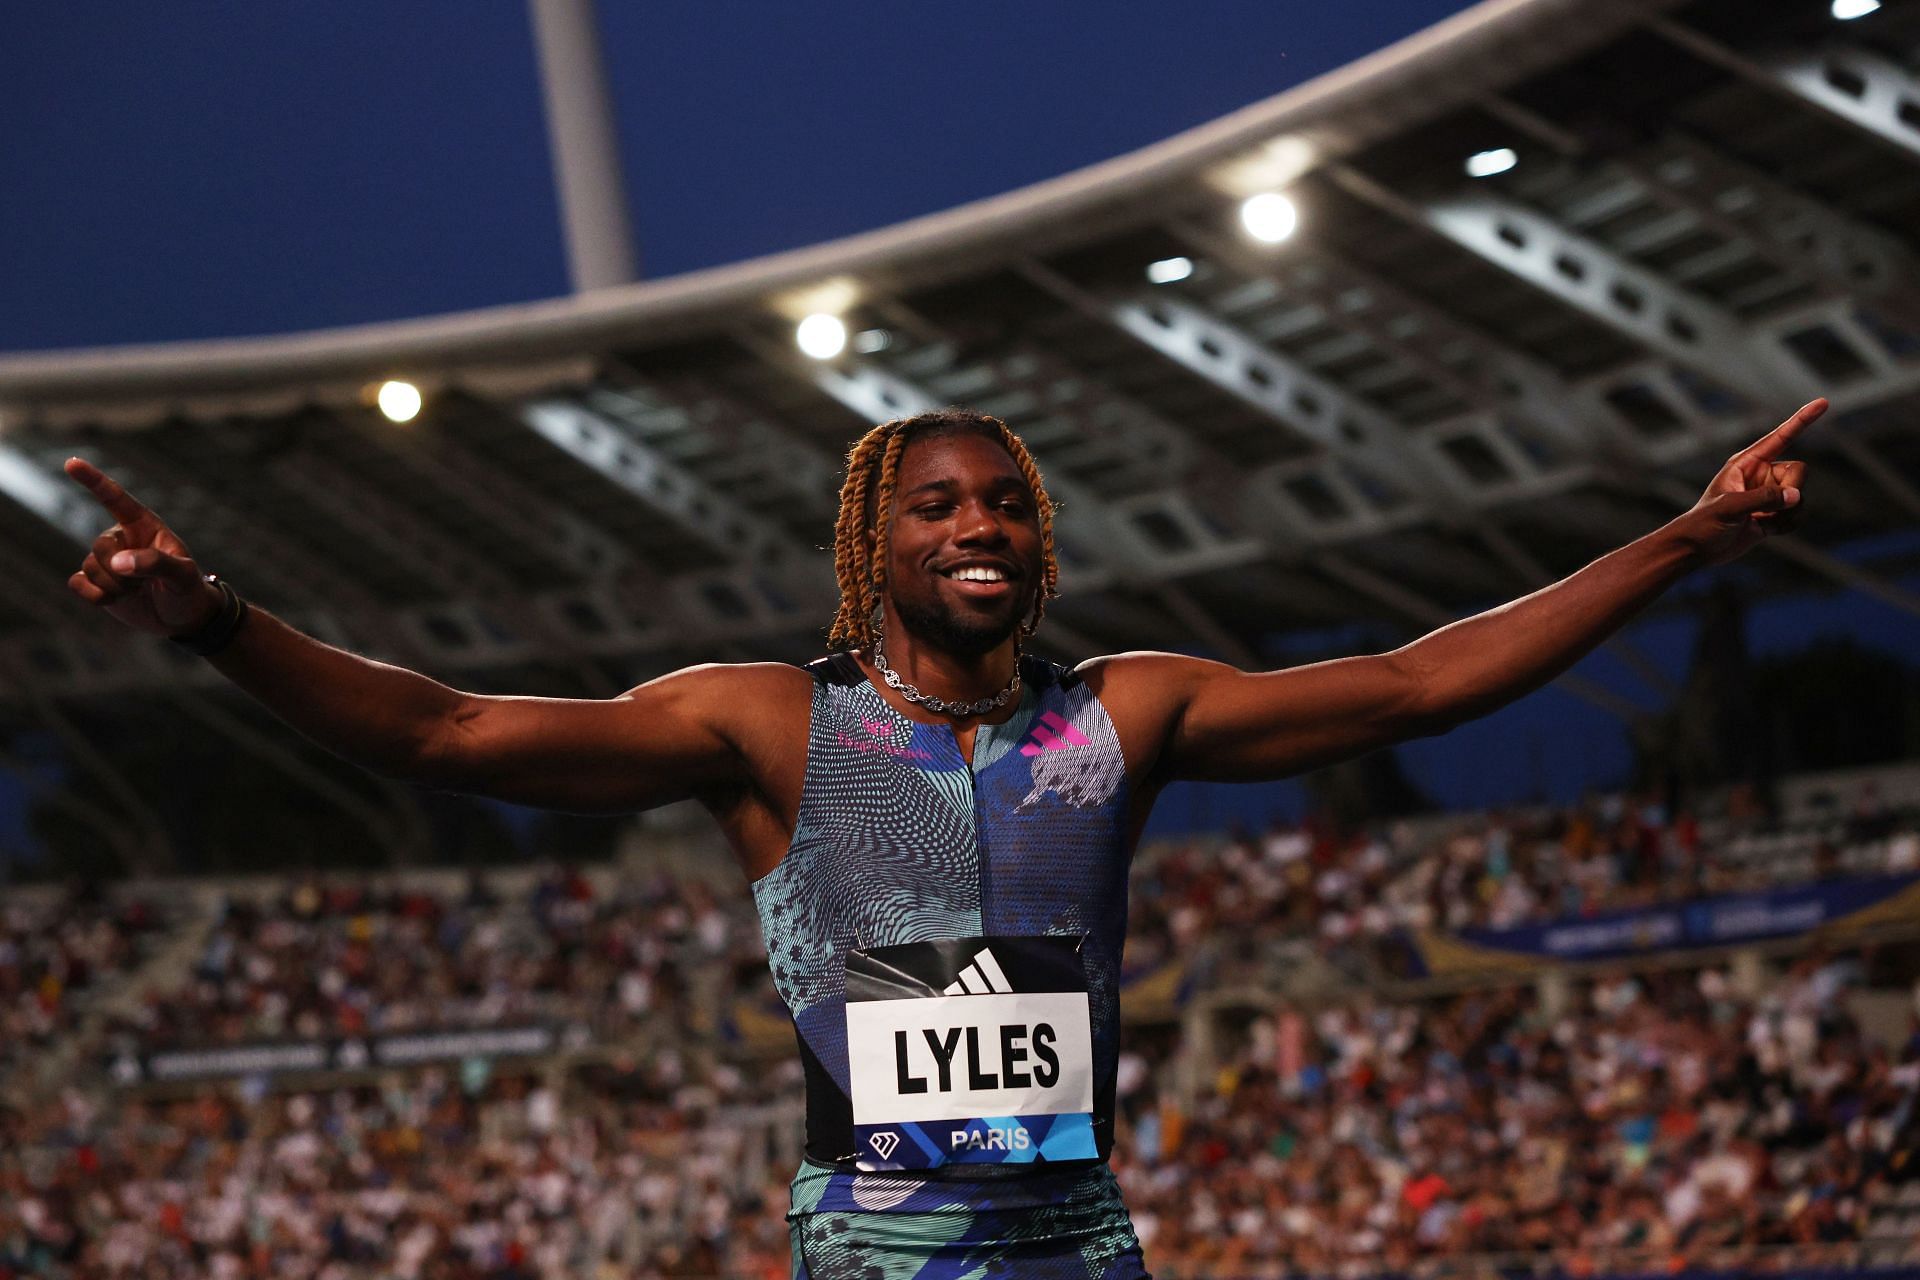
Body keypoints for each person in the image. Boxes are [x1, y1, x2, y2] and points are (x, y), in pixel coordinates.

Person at [61, 399, 1823, 1278]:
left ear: (1035, 543)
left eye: (1002, 503)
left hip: (1078, 1233)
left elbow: (1418, 684)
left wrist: (1683, 540)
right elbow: (446, 731)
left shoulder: (1124, 714)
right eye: (936, 505)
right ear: (874, 547)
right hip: (879, 1238)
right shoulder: (770, 726)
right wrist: (214, 618)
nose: (975, 523)